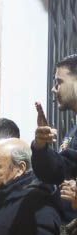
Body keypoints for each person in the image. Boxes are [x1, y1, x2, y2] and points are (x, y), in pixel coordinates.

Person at [31, 54, 77, 183]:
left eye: (59, 82)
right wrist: (40, 146)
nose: (53, 89)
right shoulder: (74, 130)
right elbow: (59, 173)